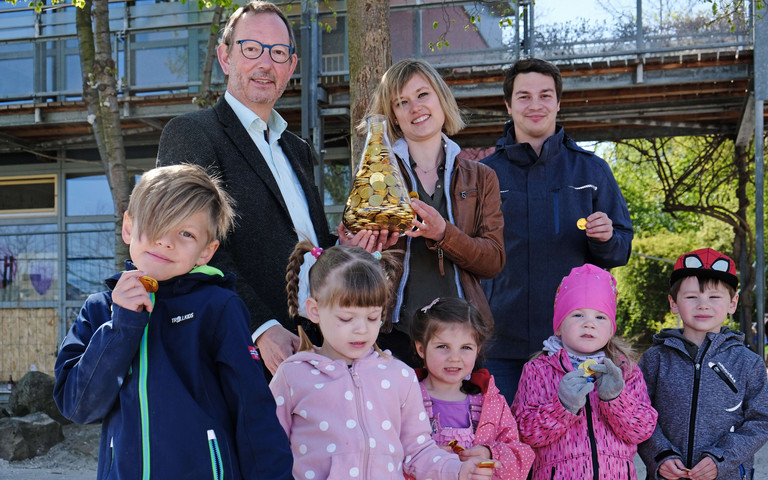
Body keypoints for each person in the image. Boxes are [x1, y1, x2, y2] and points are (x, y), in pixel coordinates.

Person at [156, 1, 383, 374]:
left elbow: (304, 244)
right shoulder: (191, 134)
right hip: (243, 351)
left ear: (291, 66)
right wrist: (259, 327)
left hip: (319, 341)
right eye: (251, 49)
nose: (265, 64)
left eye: (278, 52)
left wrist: (342, 248)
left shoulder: (297, 149)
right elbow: (190, 247)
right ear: (225, 57)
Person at [53, 164, 293, 479]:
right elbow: (78, 406)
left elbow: (253, 411)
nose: (167, 241)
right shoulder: (99, 310)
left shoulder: (219, 308)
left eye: (186, 233)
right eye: (157, 223)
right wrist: (121, 325)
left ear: (206, 251)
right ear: (128, 226)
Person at [270, 241, 498, 479]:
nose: (361, 329)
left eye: (372, 317)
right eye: (347, 318)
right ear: (314, 310)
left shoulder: (400, 376)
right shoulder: (292, 375)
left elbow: (417, 451)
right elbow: (268, 451)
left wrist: (457, 469)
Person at [480, 57, 633, 401]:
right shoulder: (483, 175)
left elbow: (622, 248)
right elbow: (468, 252)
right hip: (500, 342)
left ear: (558, 102)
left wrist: (607, 238)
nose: (535, 105)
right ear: (508, 104)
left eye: (545, 95)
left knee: (568, 449)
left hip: (576, 347)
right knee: (503, 444)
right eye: (524, 96)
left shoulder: (592, 171)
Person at [358, 58, 505, 365]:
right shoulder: (375, 176)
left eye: (423, 95)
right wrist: (361, 245)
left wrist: (444, 234)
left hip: (462, 340)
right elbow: (362, 261)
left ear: (441, 99)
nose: (415, 108)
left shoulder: (482, 177)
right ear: (394, 117)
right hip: (394, 335)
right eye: (402, 102)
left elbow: (493, 261)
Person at [511, 264, 657, 480]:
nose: (589, 324)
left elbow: (642, 430)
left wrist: (616, 399)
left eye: (600, 317)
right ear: (559, 326)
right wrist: (562, 406)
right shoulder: (537, 370)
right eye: (578, 315)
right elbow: (524, 432)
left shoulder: (625, 371)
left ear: (611, 329)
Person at [638, 248, 768, 480]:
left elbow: (761, 420)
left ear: (733, 303)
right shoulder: (654, 359)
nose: (703, 305)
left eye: (714, 297)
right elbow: (637, 415)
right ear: (673, 303)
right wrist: (659, 455)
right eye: (691, 297)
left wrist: (723, 458)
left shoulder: (749, 363)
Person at [409, 297, 534, 480]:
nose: (454, 358)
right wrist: (426, 460)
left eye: (465, 347)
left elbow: (520, 456)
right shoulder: (406, 399)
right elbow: (388, 455)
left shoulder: (491, 402)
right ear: (421, 349)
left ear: (478, 350)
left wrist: (489, 453)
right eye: (443, 346)